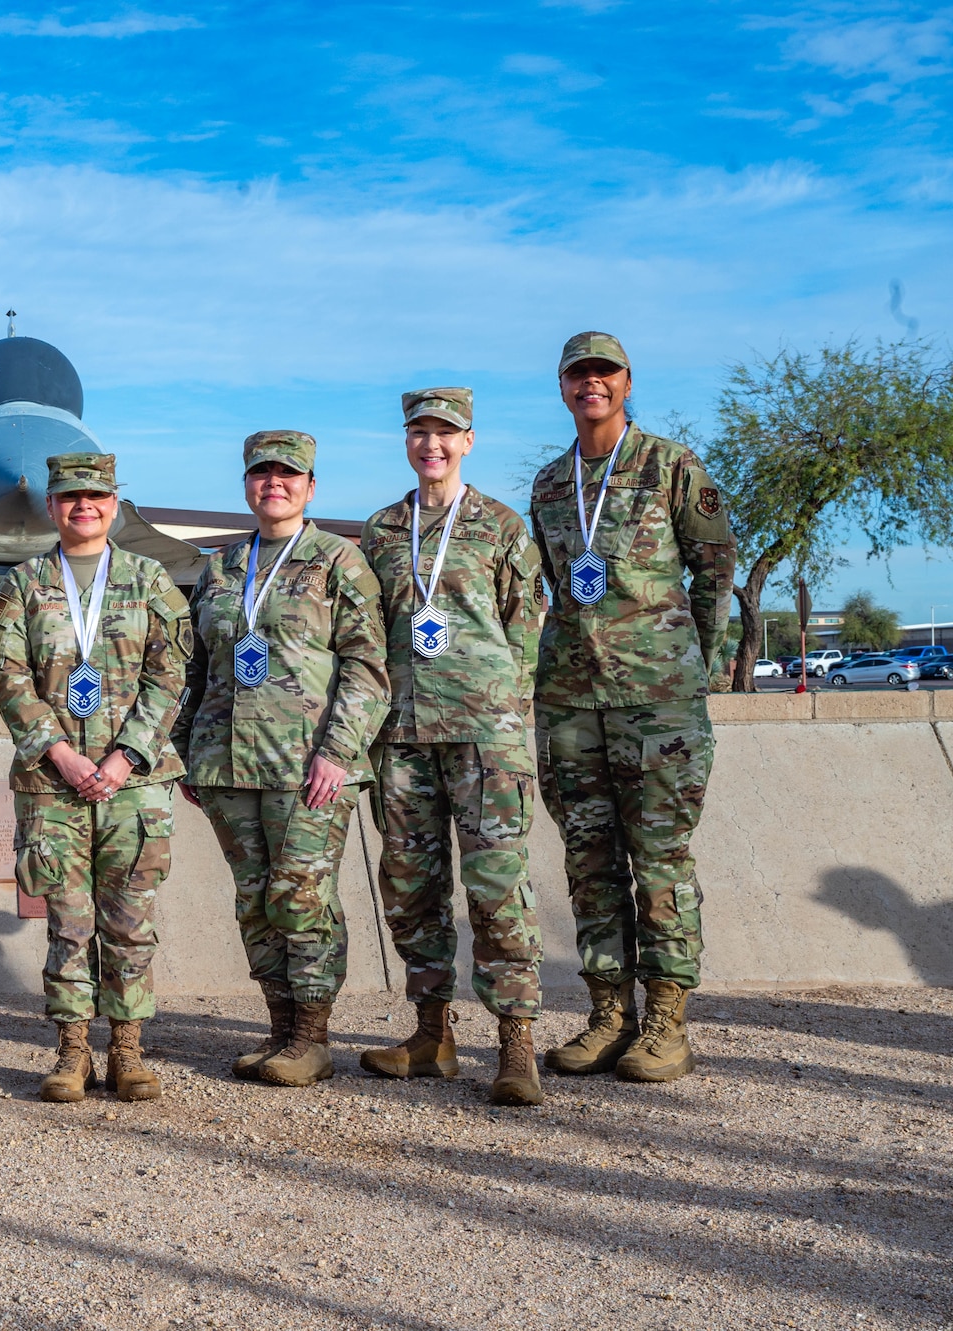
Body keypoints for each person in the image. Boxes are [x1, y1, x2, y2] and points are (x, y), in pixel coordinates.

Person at [528, 332, 736, 1083]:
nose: (592, 385)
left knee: (660, 863)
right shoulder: (551, 485)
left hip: (658, 706)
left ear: (626, 382)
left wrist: (688, 667)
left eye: (604, 374)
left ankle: (667, 1024)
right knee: (589, 863)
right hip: (572, 702)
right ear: (562, 388)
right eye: (579, 375)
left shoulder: (672, 466)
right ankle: (609, 1015)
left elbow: (714, 572)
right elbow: (556, 584)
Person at [172, 431, 389, 1088]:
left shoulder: (337, 562)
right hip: (228, 767)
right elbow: (199, 667)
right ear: (246, 485)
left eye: (288, 474)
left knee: (302, 897)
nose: (275, 483)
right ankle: (278, 1028)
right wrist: (188, 751)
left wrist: (338, 754)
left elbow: (367, 669)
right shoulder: (221, 568)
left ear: (311, 486)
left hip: (308, 768)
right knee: (255, 903)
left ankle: (312, 1037)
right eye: (262, 473)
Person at [0, 453, 191, 1103]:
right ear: (52, 506)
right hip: (54, 784)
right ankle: (73, 1051)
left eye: (96, 495)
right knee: (69, 923)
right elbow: (6, 675)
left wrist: (125, 754)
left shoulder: (150, 580)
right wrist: (60, 753)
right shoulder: (23, 585)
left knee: (130, 922)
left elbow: (170, 674)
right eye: (70, 496)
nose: (84, 506)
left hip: (131, 785)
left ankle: (126, 1050)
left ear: (115, 502)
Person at [358, 388, 546, 1106]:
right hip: (403, 736)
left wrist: (510, 715)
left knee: (499, 890)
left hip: (483, 737)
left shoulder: (500, 525)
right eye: (419, 431)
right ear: (406, 441)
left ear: (469, 440)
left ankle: (515, 1043)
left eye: (446, 432)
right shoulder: (381, 530)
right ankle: (431, 1035)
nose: (431, 444)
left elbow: (524, 627)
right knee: (410, 889)